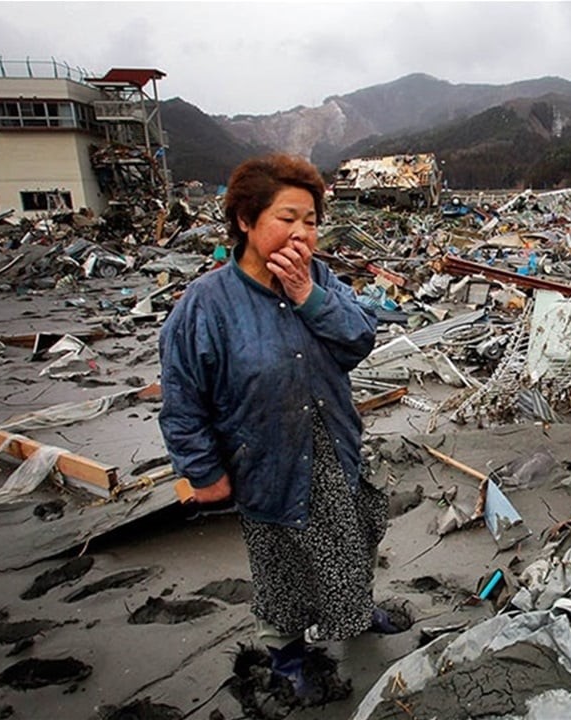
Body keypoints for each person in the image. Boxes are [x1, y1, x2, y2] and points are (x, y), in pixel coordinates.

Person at [158, 153, 394, 700]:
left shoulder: (321, 279)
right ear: (246, 220)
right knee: (281, 563)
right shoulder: (207, 304)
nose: (302, 233)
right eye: (287, 218)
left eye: (310, 221)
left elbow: (359, 339)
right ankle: (286, 653)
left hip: (333, 444)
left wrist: (309, 297)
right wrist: (202, 470)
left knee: (352, 539)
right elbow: (181, 399)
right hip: (263, 458)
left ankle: (357, 611)